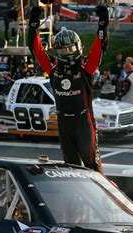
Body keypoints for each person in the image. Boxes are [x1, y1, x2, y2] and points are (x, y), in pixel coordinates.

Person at [28, 5, 109, 173]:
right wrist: (34, 23)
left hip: (84, 122)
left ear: (78, 47)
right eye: (63, 50)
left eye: (70, 49)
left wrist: (102, 23)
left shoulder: (86, 69)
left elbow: (99, 47)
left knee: (92, 165)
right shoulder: (53, 69)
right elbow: (36, 50)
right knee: (71, 166)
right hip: (64, 123)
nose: (67, 53)